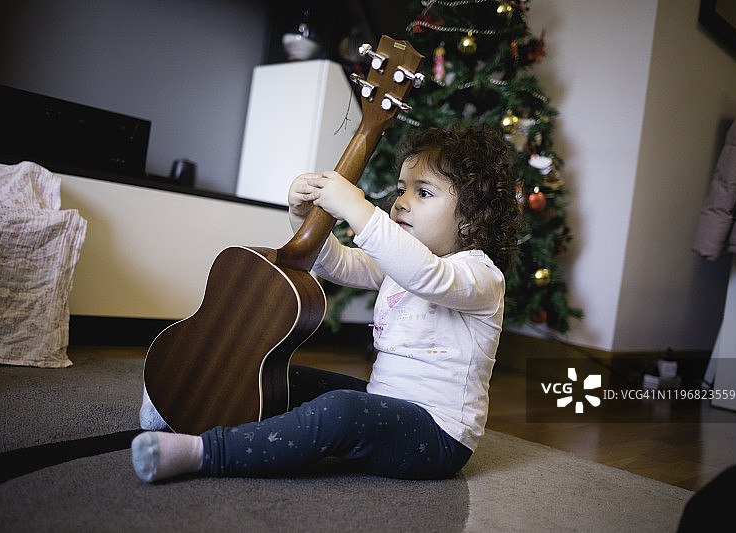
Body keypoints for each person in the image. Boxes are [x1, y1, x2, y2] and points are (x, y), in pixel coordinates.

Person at [131, 124, 521, 482]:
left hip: (437, 437)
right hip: (382, 405)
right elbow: (339, 263)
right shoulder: (400, 264)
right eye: (401, 188)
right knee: (279, 377)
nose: (401, 202)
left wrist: (357, 209)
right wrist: (304, 218)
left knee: (341, 411)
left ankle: (205, 452)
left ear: (471, 219)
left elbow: (425, 275)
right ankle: (176, 406)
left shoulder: (480, 277)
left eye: (423, 192)